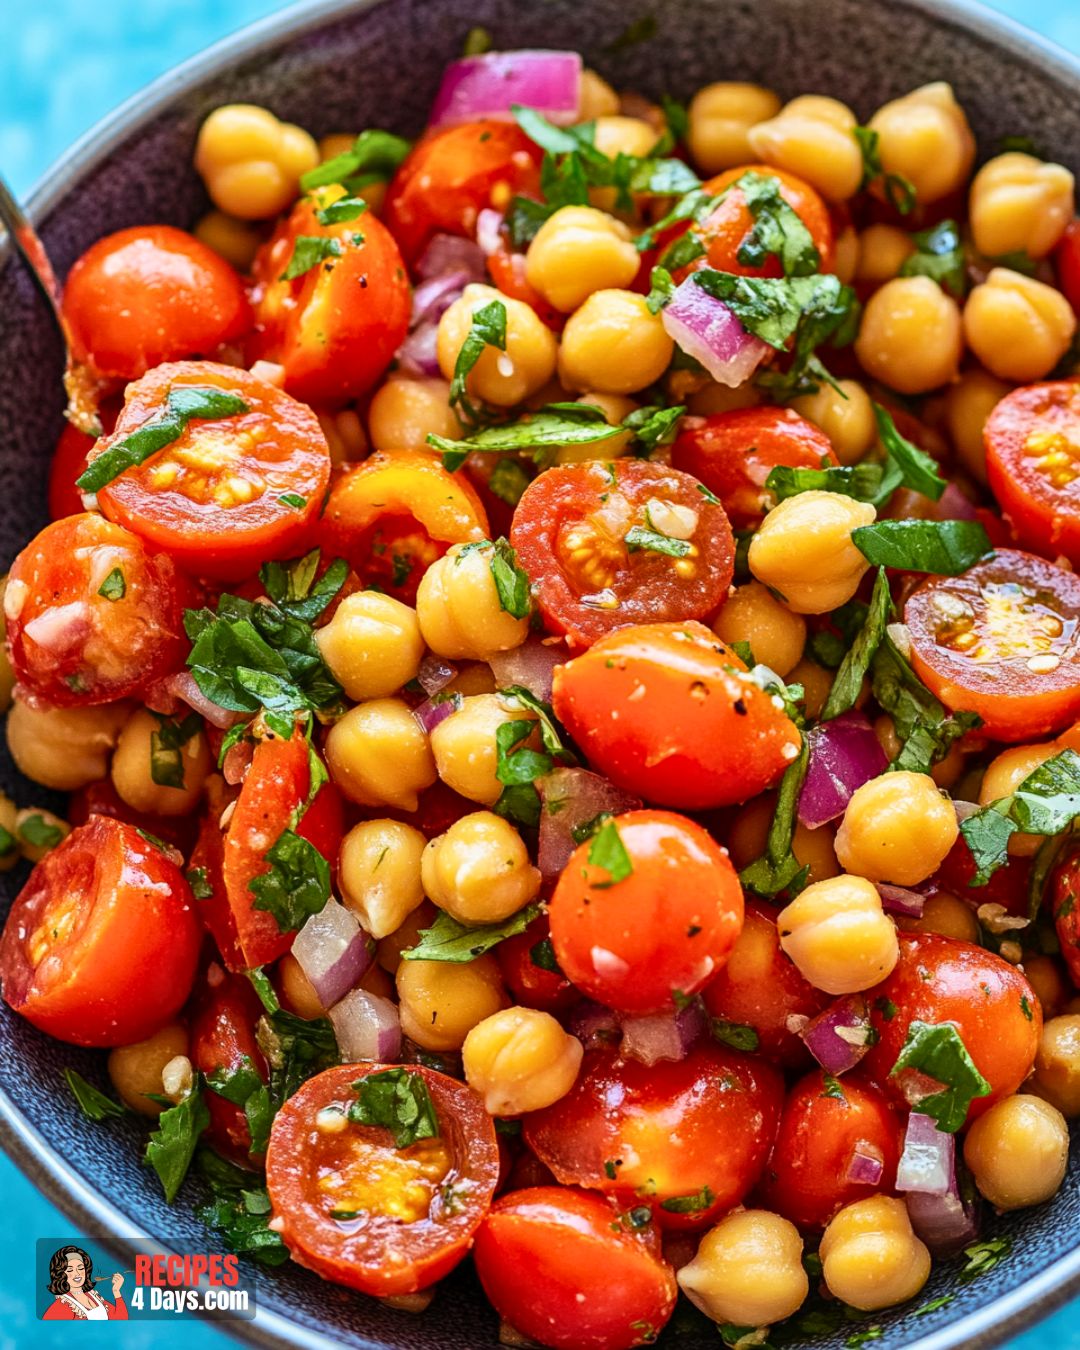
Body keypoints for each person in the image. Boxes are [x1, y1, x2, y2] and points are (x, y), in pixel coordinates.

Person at [42, 1245, 128, 1320]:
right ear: (60, 1274)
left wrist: (116, 1291)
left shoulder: (93, 1296)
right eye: (70, 1270)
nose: (77, 1273)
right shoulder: (60, 1307)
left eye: (80, 1268)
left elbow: (121, 1319)